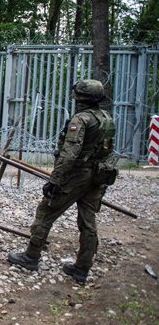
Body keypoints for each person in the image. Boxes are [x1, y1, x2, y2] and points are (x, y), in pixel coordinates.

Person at [7, 79, 117, 284]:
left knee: (46, 212)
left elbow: (69, 154)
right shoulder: (106, 118)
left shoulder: (81, 120)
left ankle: (31, 256)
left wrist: (55, 180)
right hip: (98, 175)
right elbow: (108, 150)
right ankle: (82, 269)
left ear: (80, 97)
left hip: (77, 175)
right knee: (88, 221)